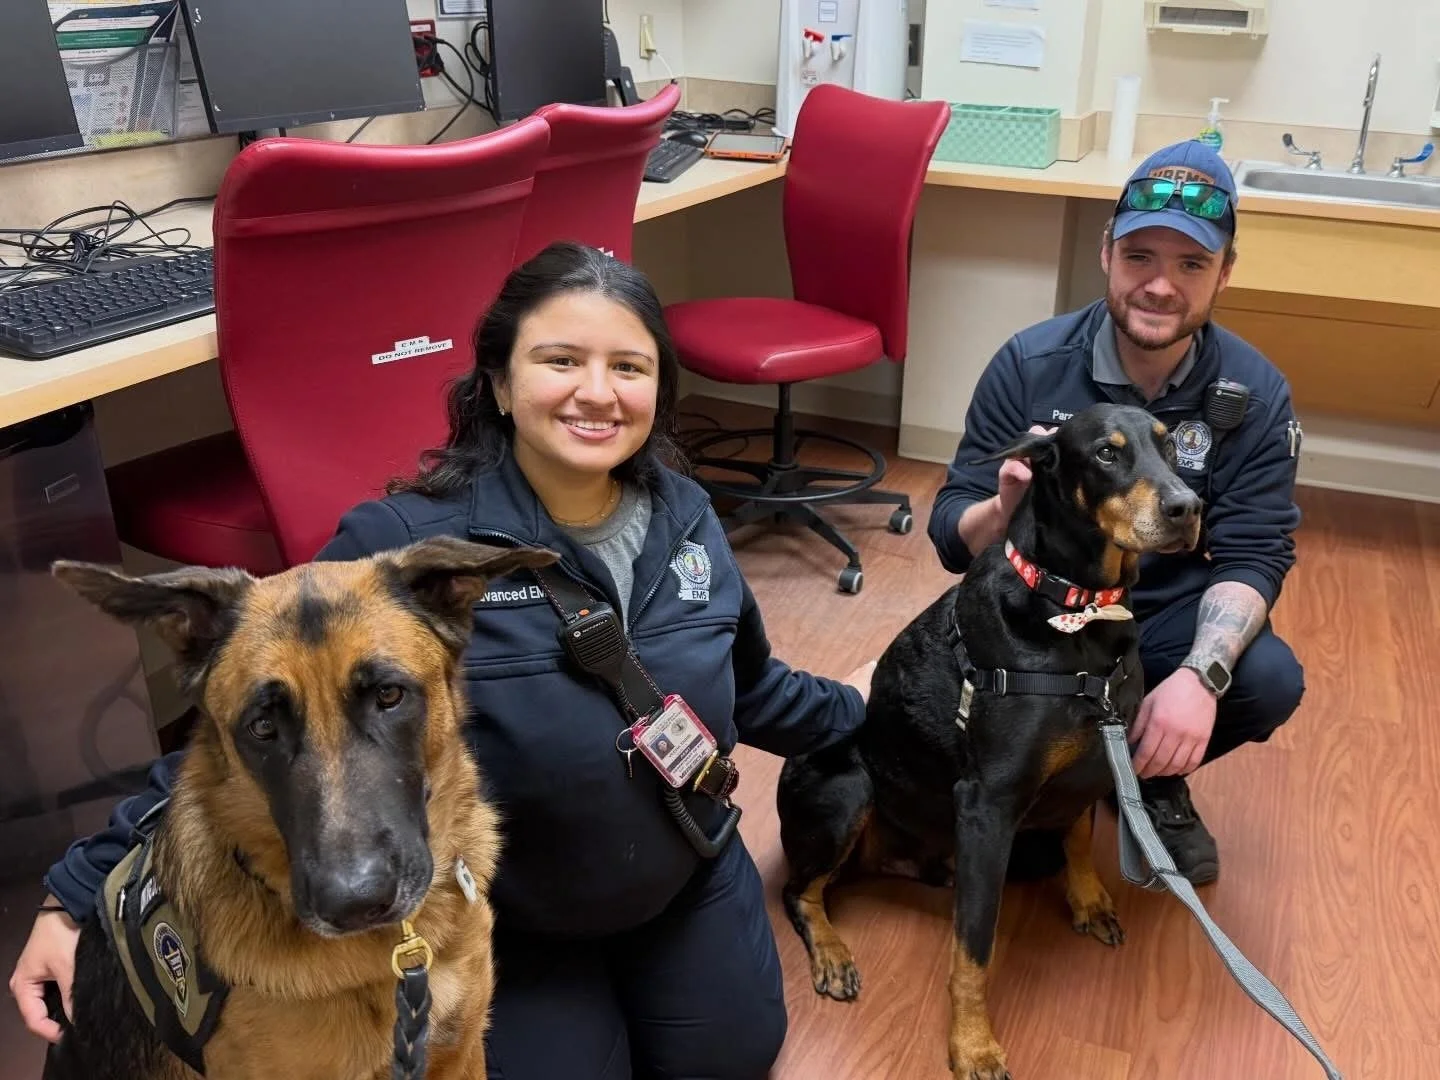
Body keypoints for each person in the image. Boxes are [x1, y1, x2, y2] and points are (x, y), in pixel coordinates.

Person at [11, 241, 876, 1079]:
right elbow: (265, 715)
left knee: (726, 1056)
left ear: (659, 389)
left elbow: (755, 687)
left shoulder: (687, 513)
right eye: (561, 360)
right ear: (499, 383)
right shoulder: (403, 553)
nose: (596, 393)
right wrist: (74, 893)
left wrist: (879, 706)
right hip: (525, 911)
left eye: (629, 367)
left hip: (683, 868)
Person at [926, 140, 1303, 886]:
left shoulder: (1256, 395)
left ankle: (1146, 782)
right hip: (1036, 615)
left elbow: (1254, 555)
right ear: (1106, 254)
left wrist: (1200, 677)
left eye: (1191, 264)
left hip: (1154, 616)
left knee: (1263, 678)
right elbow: (949, 531)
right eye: (1140, 258)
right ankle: (1051, 781)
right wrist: (1001, 513)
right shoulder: (1029, 364)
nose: (1160, 286)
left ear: (1225, 272)